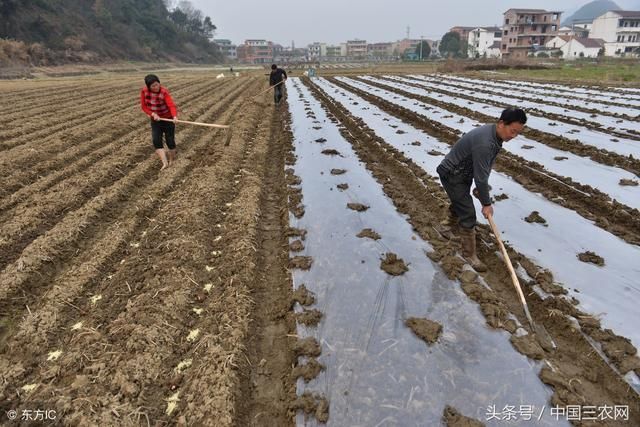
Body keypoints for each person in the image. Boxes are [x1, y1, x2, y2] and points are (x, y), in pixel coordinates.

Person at [436, 107, 527, 272]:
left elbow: (483, 169)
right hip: (452, 173)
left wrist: (480, 190)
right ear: (501, 123)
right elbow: (481, 177)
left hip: (462, 172)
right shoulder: (485, 142)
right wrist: (486, 203)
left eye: (517, 133)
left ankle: (446, 226)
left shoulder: (494, 135)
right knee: (468, 212)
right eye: (512, 131)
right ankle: (469, 255)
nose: (513, 136)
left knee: (461, 201)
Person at [140, 74, 178, 170]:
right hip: (156, 120)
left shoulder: (164, 92)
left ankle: (172, 161)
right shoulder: (144, 91)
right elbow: (144, 107)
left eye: (157, 84)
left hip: (168, 119)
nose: (156, 87)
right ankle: (164, 163)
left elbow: (171, 105)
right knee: (156, 140)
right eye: (153, 86)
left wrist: (174, 116)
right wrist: (152, 114)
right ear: (148, 87)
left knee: (170, 141)